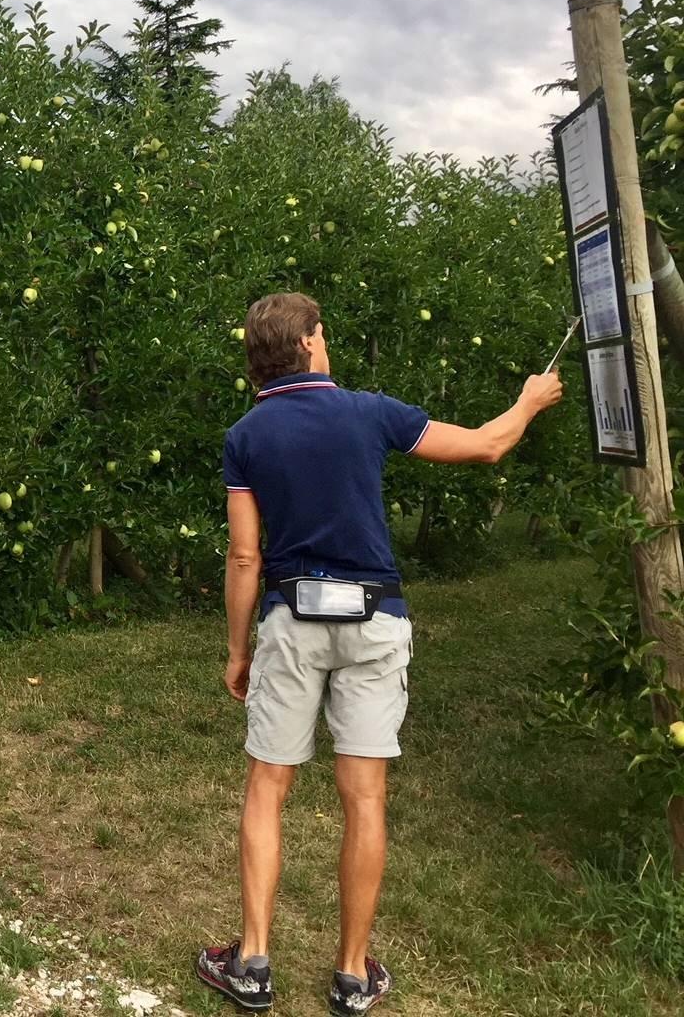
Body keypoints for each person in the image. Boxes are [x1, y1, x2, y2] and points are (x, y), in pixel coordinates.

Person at [196, 293, 563, 1016]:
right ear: (307, 344)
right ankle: (352, 975)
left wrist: (238, 651)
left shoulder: (246, 434)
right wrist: (529, 401)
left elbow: (245, 558)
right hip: (375, 622)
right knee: (363, 798)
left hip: (290, 624)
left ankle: (253, 963)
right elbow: (487, 444)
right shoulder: (369, 412)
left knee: (268, 786)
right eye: (321, 334)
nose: (325, 344)